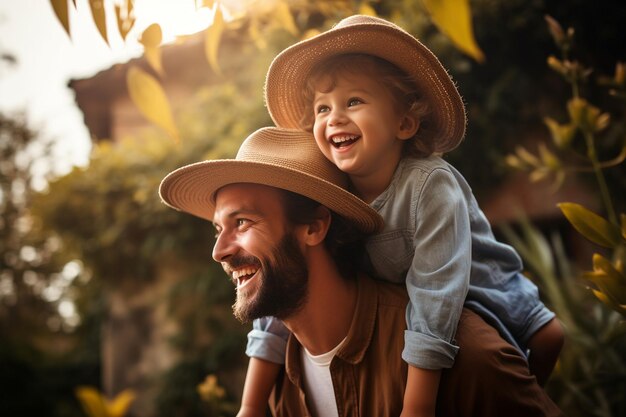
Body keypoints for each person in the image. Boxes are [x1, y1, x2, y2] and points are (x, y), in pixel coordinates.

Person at [258, 14, 564, 417]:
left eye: (354, 101)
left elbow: (436, 293)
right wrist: (251, 402)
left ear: (403, 123)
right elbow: (286, 283)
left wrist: (418, 406)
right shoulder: (330, 193)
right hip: (404, 292)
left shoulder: (429, 184)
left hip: (478, 282)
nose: (334, 117)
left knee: (549, 337)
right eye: (321, 108)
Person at [159, 126, 564, 417]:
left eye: (242, 223)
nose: (219, 251)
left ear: (315, 227)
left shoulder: (469, 359)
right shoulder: (279, 378)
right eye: (218, 229)